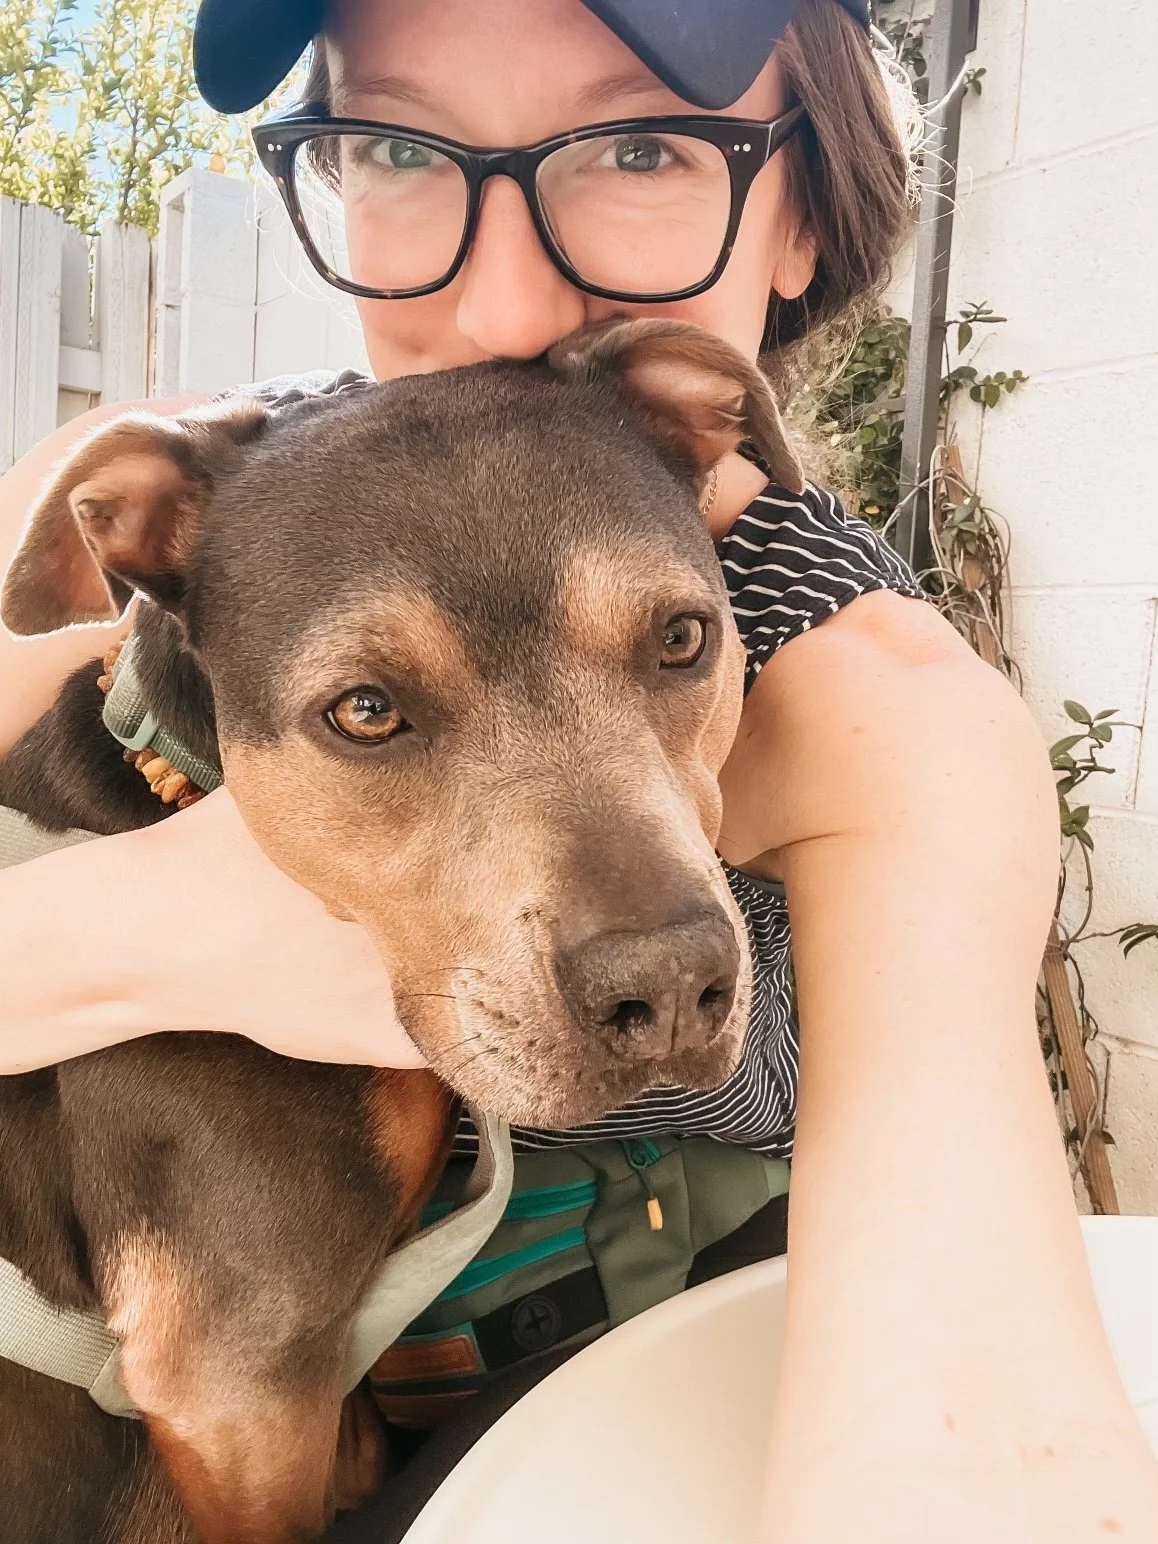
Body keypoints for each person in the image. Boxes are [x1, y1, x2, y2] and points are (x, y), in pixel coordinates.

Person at [1, 1, 1156, 1539]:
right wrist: (161, 931)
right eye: (401, 147)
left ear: (805, 210)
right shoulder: (194, 500)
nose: (499, 303)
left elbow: (969, 1437)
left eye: (639, 147)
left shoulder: (884, 712)